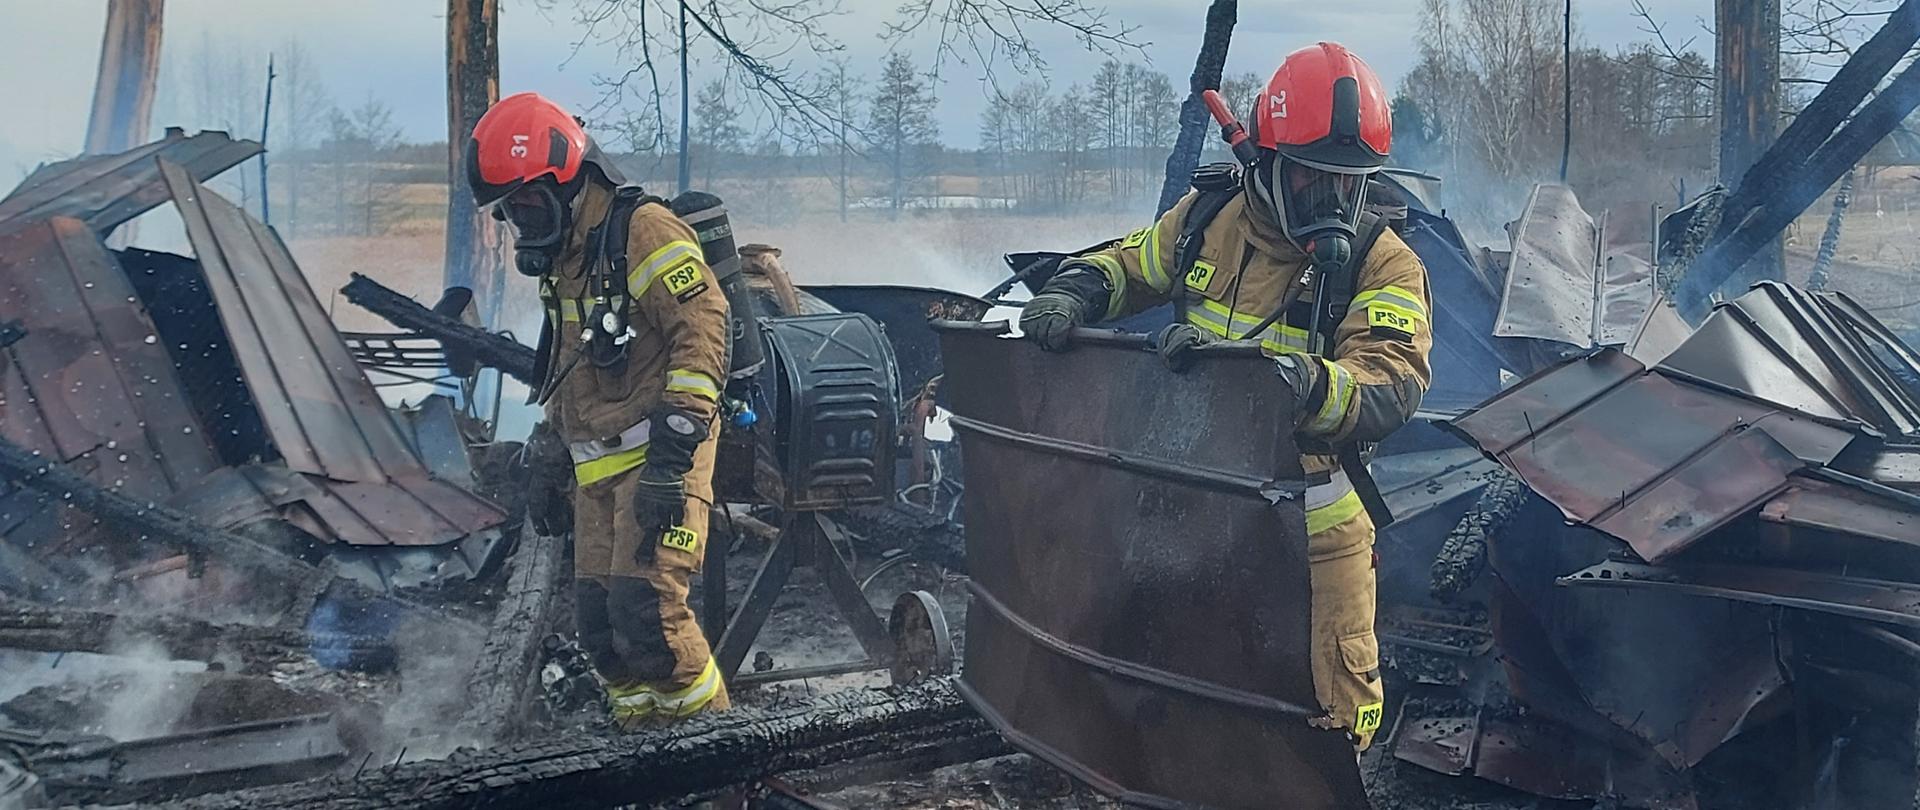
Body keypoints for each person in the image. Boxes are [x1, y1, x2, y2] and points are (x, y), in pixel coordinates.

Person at [1018, 42, 1432, 751]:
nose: (1332, 201)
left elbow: (1391, 381)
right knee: (1188, 707)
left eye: (1348, 183)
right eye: (1312, 177)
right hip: (1196, 521)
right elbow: (1131, 266)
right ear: (1264, 160)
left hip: (1313, 540)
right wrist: (1076, 290)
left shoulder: (1383, 262)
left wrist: (1293, 383)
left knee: (1325, 731)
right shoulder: (1206, 220)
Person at [468, 92, 731, 726]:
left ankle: (724, 753)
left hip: (661, 458)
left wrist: (673, 457)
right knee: (602, 633)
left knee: (650, 619)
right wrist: (550, 452)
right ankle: (644, 752)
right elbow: (572, 363)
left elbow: (703, 330)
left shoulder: (644, 231)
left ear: (567, 181)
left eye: (528, 206)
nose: (523, 224)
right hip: (598, 468)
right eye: (510, 212)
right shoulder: (567, 260)